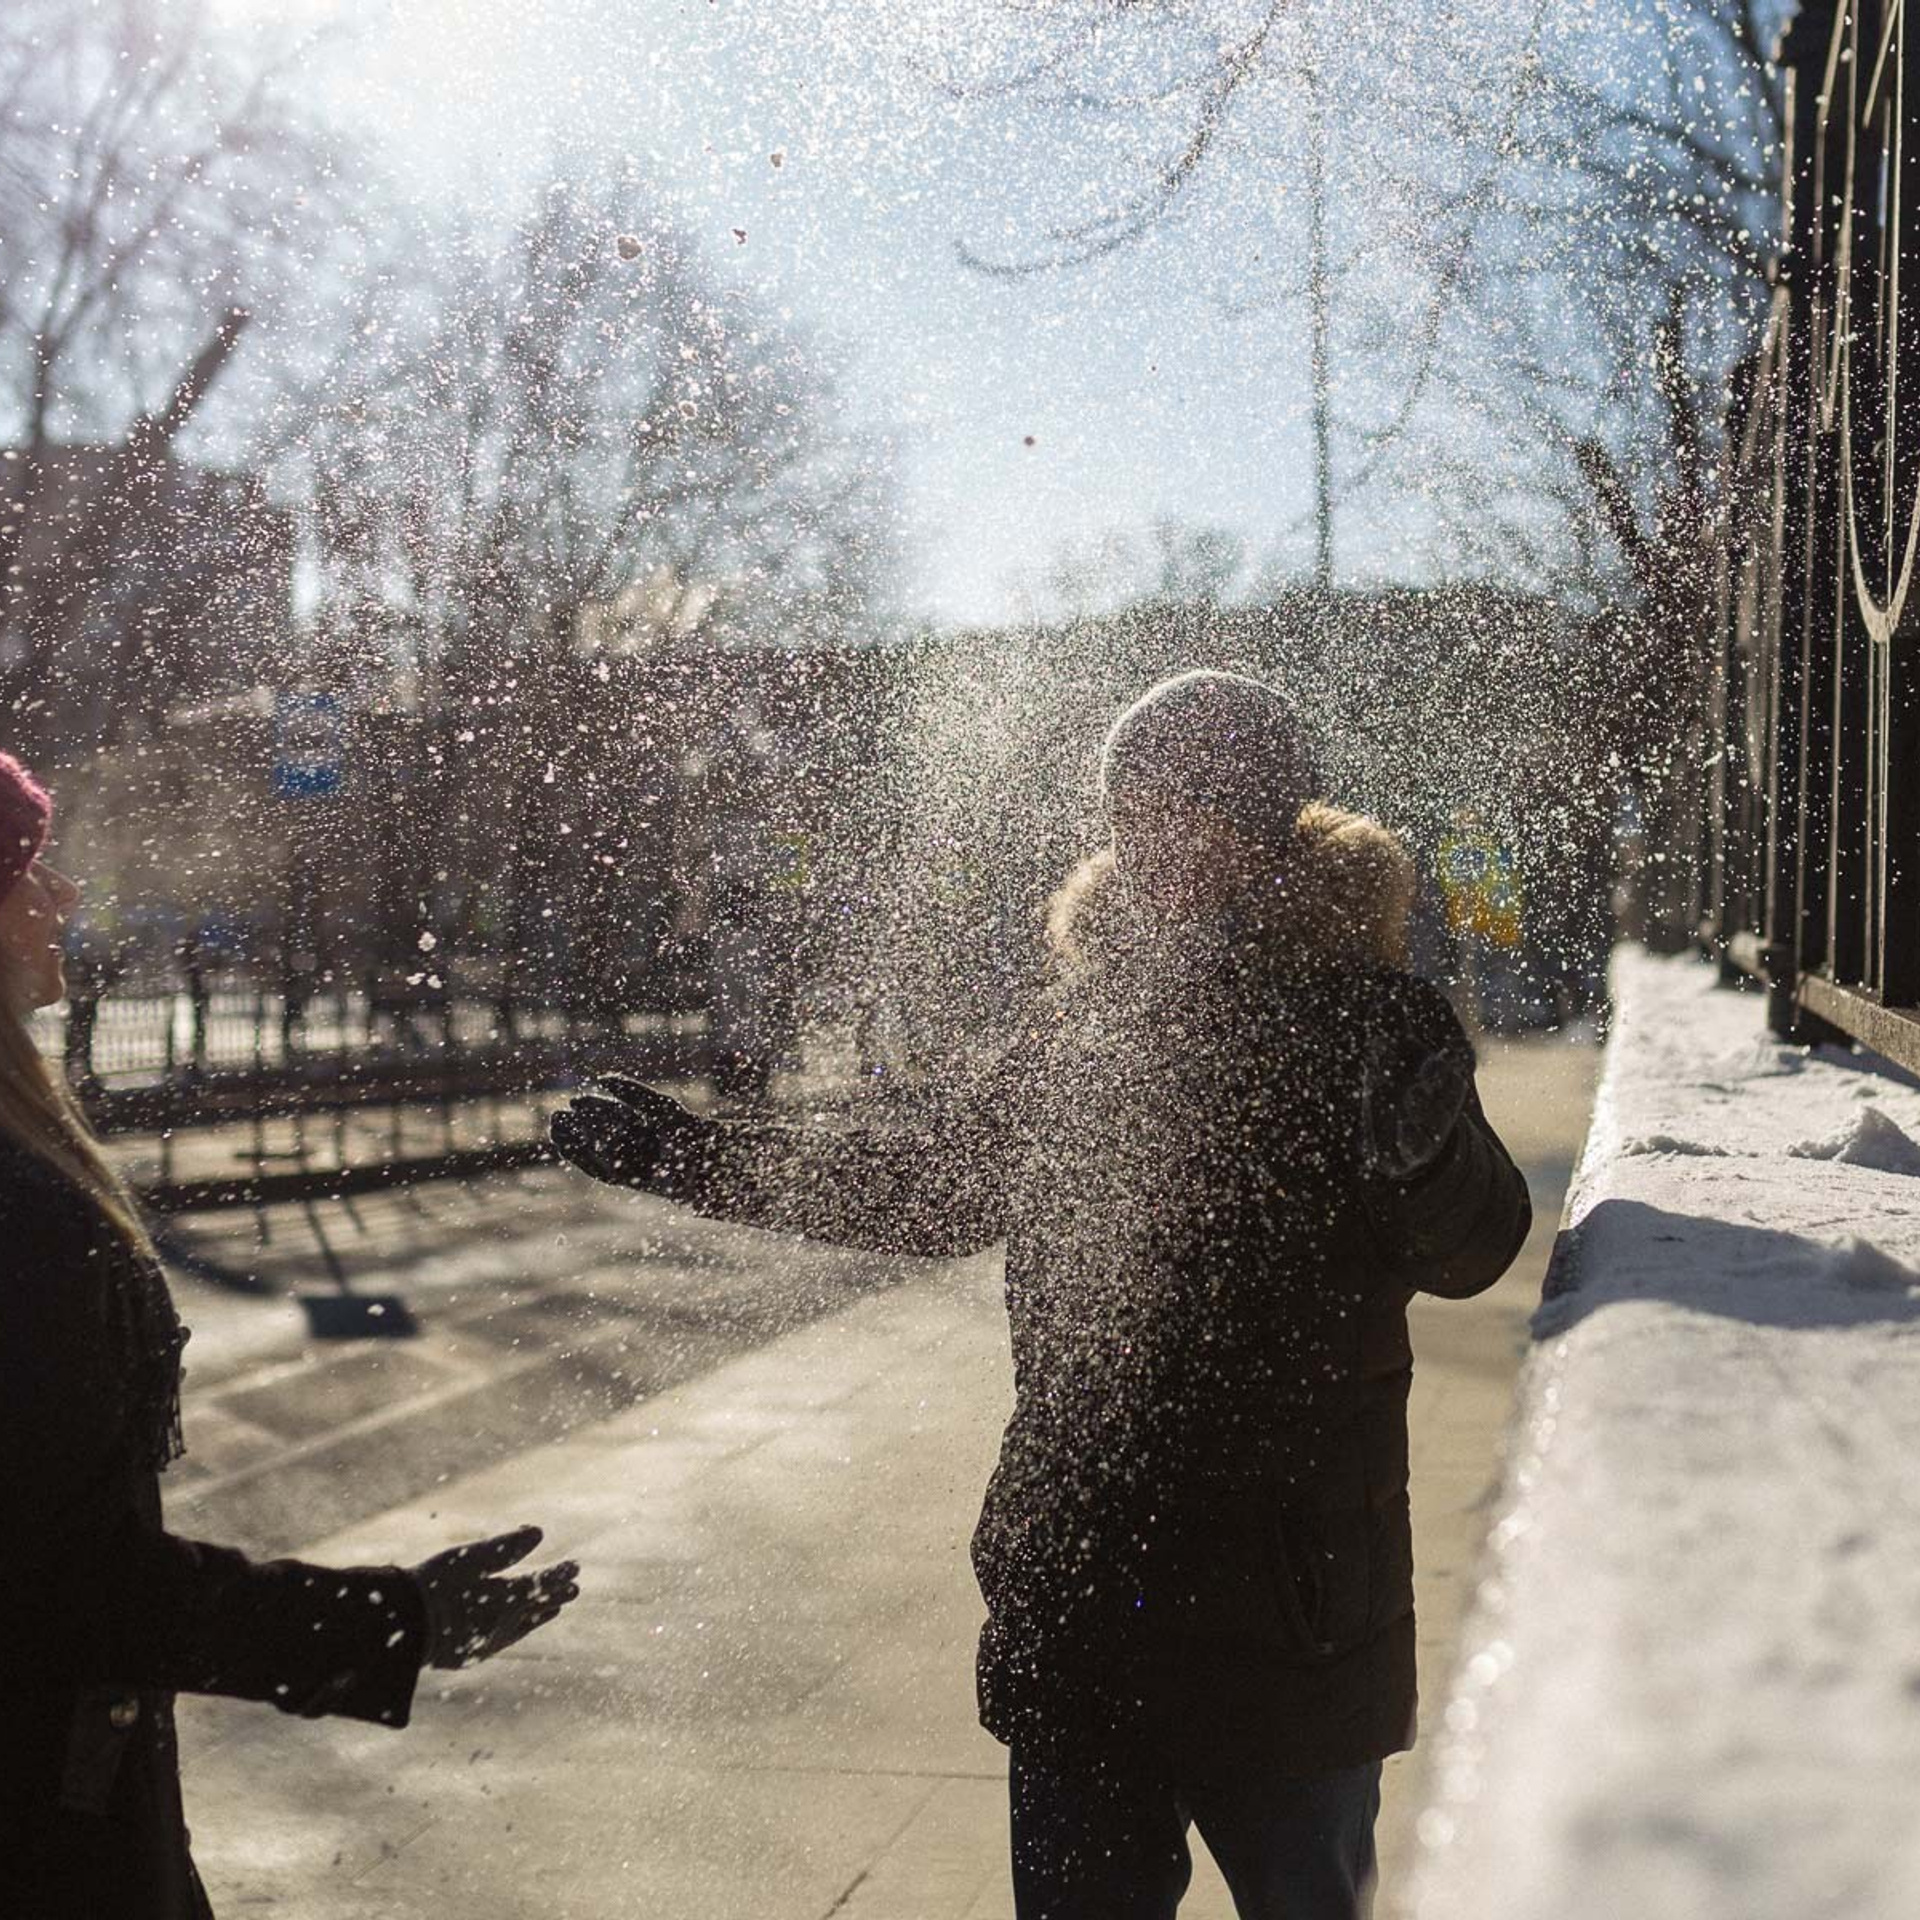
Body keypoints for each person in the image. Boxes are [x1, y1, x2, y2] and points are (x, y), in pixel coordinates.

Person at [551, 669, 1531, 1920]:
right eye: (1134, 811)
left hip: (1291, 1610)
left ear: (1267, 825)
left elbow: (1474, 1251)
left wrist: (1430, 1164)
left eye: (1193, 810)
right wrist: (701, 1161)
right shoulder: (1083, 1026)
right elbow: (928, 1186)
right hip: (1084, 1599)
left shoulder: (1366, 1016)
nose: (1156, 840)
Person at [0, 753, 581, 1920]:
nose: (62, 893)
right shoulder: (20, 1211)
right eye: (27, 867)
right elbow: (76, 1585)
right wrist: (392, 1622)